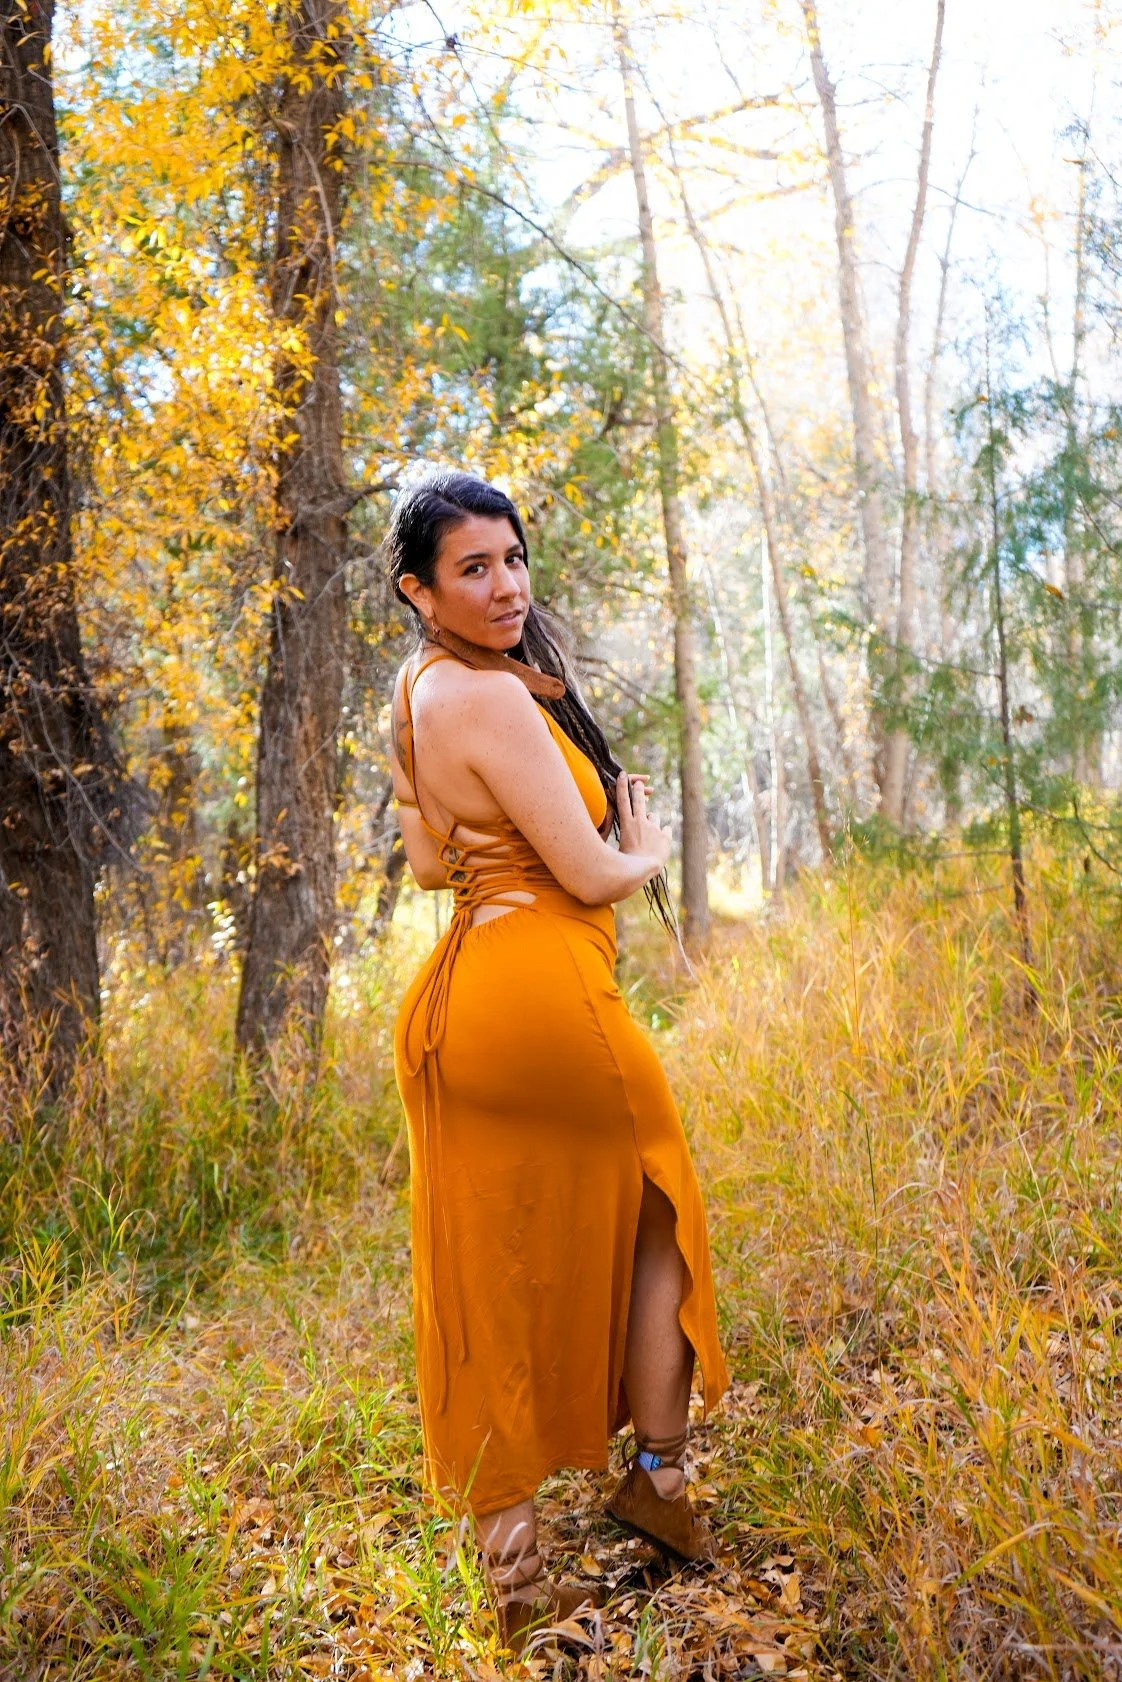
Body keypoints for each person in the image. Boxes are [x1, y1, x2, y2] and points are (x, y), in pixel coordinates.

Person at [386, 470, 729, 1650]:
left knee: (492, 1267)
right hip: (545, 993)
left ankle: (520, 1576)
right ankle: (660, 1476)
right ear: (418, 589)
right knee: (660, 1206)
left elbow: (431, 865)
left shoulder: (417, 693)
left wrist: (533, 857)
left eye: (514, 558)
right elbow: (587, 874)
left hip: (462, 998)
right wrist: (643, 845)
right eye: (473, 568)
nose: (506, 586)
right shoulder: (487, 696)